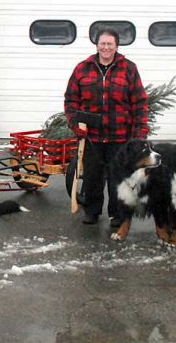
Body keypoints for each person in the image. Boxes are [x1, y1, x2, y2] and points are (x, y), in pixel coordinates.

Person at [63, 28, 149, 226]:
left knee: (117, 178)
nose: (106, 47)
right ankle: (92, 212)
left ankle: (117, 214)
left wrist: (139, 132)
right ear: (97, 45)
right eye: (102, 43)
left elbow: (140, 102)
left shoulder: (128, 68)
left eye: (110, 44)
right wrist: (75, 124)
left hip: (120, 135)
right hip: (91, 136)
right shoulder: (82, 68)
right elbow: (71, 100)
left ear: (117, 46)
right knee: (92, 177)